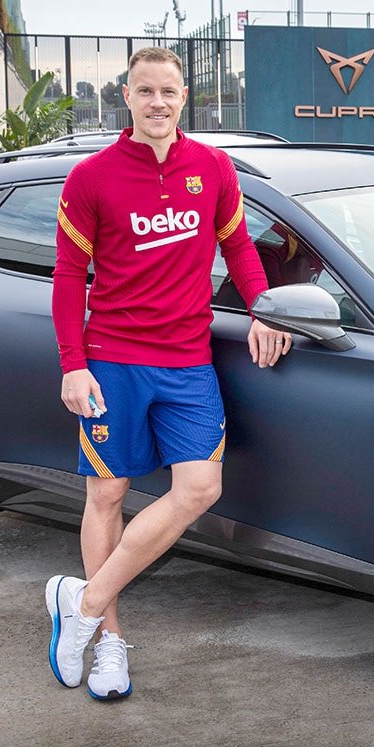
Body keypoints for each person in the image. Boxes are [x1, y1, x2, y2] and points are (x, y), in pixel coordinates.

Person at [48, 45, 291, 700]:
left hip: (188, 359)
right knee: (107, 496)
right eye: (145, 91)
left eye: (169, 91)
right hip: (114, 360)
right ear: (125, 96)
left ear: (186, 97)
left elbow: (238, 245)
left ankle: (85, 603)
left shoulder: (211, 168)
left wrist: (265, 310)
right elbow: (70, 277)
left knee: (198, 490)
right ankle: (110, 645)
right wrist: (74, 365)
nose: (158, 102)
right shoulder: (92, 177)